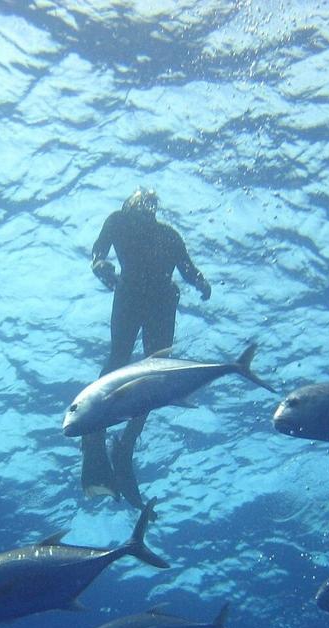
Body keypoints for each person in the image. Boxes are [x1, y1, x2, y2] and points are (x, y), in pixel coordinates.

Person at [82, 188, 211, 505]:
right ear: (129, 204)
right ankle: (95, 432)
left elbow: (187, 267)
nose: (144, 209)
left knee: (157, 373)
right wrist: (100, 266)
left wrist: (200, 281)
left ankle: (127, 441)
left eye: (148, 205)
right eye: (139, 203)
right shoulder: (117, 222)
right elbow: (99, 253)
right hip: (131, 296)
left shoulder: (168, 234)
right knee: (120, 360)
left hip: (161, 302)